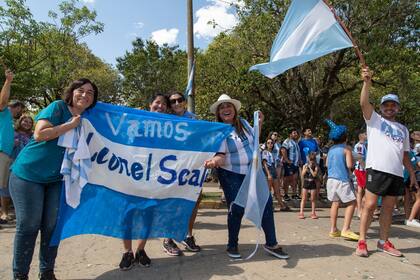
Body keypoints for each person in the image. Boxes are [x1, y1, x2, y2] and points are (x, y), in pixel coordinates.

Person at [9, 78, 98, 280]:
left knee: (52, 226)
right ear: (72, 91)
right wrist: (69, 125)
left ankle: (47, 272)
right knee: (29, 224)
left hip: (56, 180)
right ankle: (20, 275)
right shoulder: (58, 107)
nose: (85, 95)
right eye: (81, 90)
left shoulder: (88, 119)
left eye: (90, 93)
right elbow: (39, 134)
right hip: (28, 175)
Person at [204, 94, 289, 260]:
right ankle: (232, 244)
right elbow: (220, 155)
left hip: (253, 172)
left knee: (265, 203)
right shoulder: (219, 131)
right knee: (236, 208)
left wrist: (260, 124)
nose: (226, 109)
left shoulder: (243, 123)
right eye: (222, 107)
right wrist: (214, 161)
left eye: (228, 106)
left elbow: (254, 141)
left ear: (234, 109)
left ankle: (272, 243)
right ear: (218, 113)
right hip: (231, 174)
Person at [355, 67, 418, 258]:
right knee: (370, 205)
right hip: (376, 169)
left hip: (396, 173)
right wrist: (366, 83)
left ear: (398, 108)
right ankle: (362, 241)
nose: (390, 108)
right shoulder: (375, 120)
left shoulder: (403, 130)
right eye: (386, 105)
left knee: (389, 209)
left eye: (393, 105)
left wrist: (413, 174)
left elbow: (405, 155)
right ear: (381, 107)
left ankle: (383, 241)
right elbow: (364, 103)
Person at [119, 93, 169, 270]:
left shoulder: (169, 128)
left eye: (164, 104)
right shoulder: (138, 121)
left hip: (154, 180)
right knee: (128, 215)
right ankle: (127, 252)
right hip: (132, 176)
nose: (160, 106)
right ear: (150, 104)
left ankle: (140, 250)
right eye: (157, 102)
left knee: (148, 215)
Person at [161, 91, 202, 254]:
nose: (176, 103)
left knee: (194, 200)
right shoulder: (166, 120)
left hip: (192, 167)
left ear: (185, 102)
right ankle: (168, 239)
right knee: (172, 203)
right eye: (172, 101)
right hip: (171, 168)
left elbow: (201, 140)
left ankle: (187, 235)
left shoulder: (194, 119)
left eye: (179, 100)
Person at [325, 119, 359, 241]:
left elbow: (327, 164)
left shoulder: (331, 150)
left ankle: (333, 229)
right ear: (345, 137)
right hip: (342, 180)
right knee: (352, 203)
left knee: (335, 203)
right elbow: (350, 165)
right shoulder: (346, 149)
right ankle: (346, 229)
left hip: (330, 180)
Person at [0, 115, 34, 223]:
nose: (27, 123)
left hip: (25, 166)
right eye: (25, 121)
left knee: (22, 189)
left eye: (29, 122)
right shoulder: (11, 133)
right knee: (5, 189)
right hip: (10, 163)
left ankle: (21, 213)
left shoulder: (33, 136)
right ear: (20, 121)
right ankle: (4, 212)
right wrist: (11, 144)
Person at [0, 69, 15, 227]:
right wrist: (8, 81)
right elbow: (3, 102)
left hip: (6, 154)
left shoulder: (8, 120)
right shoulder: (3, 112)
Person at [262, 138, 289, 211]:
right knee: (268, 191)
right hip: (269, 171)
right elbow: (264, 163)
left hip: (274, 172)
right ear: (266, 144)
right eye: (268, 143)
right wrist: (268, 174)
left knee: (277, 191)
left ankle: (282, 206)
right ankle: (269, 206)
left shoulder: (273, 153)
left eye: (271, 143)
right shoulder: (265, 152)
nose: (270, 144)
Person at [281, 128, 301, 201]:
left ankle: (294, 194)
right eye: (294, 133)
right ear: (290, 134)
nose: (296, 134)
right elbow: (283, 150)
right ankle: (285, 194)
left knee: (295, 179)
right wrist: (287, 160)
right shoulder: (287, 141)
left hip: (295, 164)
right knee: (287, 179)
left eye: (296, 133)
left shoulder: (296, 143)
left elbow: (297, 153)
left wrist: (300, 160)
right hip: (289, 164)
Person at [299, 152, 319, 219]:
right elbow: (302, 174)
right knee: (304, 198)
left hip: (312, 183)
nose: (312, 161)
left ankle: (313, 213)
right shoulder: (305, 165)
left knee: (313, 199)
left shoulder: (316, 166)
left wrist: (310, 168)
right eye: (310, 159)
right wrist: (306, 168)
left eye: (313, 160)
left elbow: (314, 175)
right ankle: (301, 212)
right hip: (306, 182)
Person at [353, 132, 367, 218]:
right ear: (361, 137)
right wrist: (365, 169)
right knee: (361, 190)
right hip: (361, 170)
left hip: (361, 170)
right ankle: (360, 210)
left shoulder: (363, 145)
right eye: (365, 134)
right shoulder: (360, 146)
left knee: (360, 190)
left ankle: (360, 209)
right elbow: (360, 158)